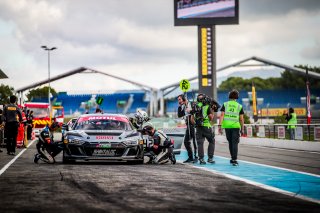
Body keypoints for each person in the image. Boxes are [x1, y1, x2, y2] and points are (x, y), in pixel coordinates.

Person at [218, 89, 244, 166]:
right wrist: (242, 129)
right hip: (235, 126)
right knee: (235, 143)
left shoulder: (225, 104)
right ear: (237, 97)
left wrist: (220, 126)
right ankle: (234, 159)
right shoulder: (239, 106)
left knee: (230, 142)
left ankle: (232, 157)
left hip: (227, 126)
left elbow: (222, 115)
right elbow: (241, 119)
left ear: (229, 96)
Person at [190, 93, 215, 165]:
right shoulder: (207, 106)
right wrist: (212, 111)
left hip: (198, 128)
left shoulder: (194, 106)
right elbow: (211, 118)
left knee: (200, 143)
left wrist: (196, 124)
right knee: (212, 141)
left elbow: (192, 120)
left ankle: (201, 159)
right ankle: (210, 158)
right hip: (207, 126)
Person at [177, 94, 197, 163]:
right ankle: (190, 157)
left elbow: (197, 111)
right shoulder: (183, 106)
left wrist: (190, 111)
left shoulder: (192, 103)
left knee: (195, 142)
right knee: (186, 142)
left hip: (194, 125)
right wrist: (180, 106)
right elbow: (179, 115)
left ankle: (196, 157)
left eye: (179, 99)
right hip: (188, 125)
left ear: (184, 98)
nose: (179, 101)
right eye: (178, 100)